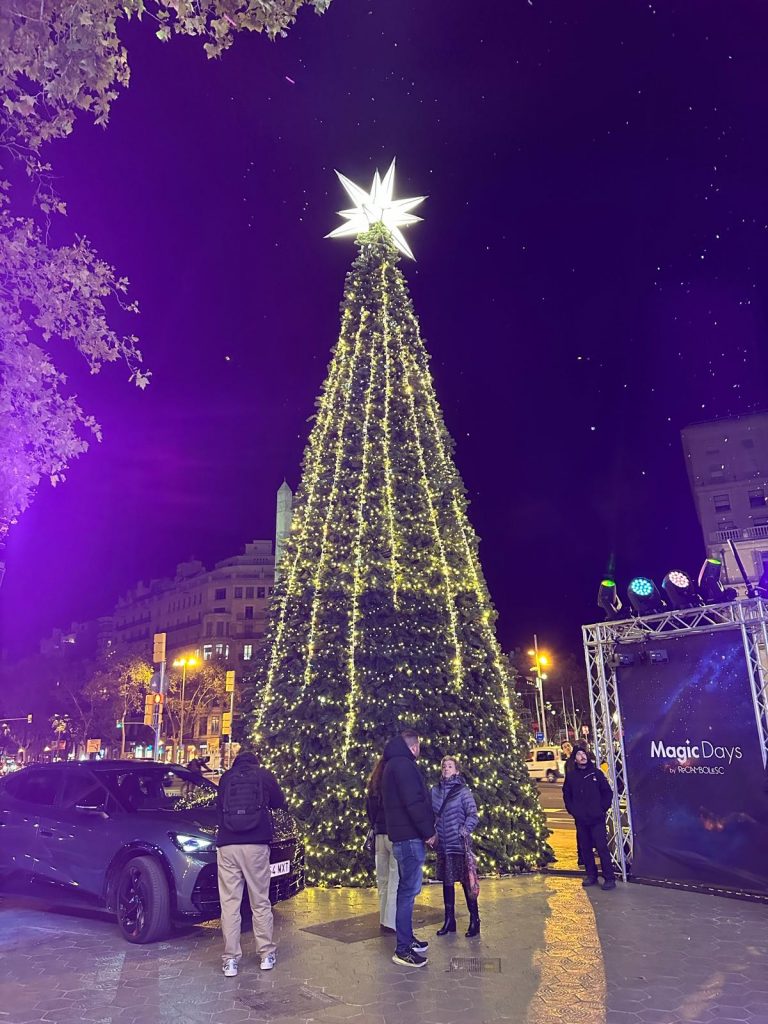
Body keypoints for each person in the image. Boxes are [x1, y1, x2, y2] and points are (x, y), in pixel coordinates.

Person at [216, 747, 286, 978]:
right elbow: (279, 802)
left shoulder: (226, 778)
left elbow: (219, 808)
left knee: (230, 904)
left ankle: (230, 961)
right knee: (260, 901)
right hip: (256, 845)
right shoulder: (264, 775)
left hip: (227, 845)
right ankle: (265, 954)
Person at [381, 727, 437, 968]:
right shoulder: (404, 766)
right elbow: (413, 802)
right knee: (407, 892)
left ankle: (408, 938)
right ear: (414, 746)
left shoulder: (392, 764)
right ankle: (403, 948)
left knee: (407, 891)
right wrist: (429, 833)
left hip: (402, 835)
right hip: (409, 837)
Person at [431, 756, 481, 938]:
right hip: (443, 845)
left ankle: (474, 919)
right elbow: (430, 814)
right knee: (447, 882)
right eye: (444, 766)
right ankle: (449, 920)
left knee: (466, 882)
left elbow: (473, 815)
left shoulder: (462, 792)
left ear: (457, 771)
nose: (446, 769)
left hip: (458, 844)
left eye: (450, 766)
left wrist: (464, 830)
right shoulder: (435, 791)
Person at [562, 746, 616, 890]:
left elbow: (607, 793)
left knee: (602, 847)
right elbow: (567, 795)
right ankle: (591, 875)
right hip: (581, 819)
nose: (582, 756)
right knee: (586, 848)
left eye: (584, 753)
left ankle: (609, 877)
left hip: (596, 818)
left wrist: (602, 808)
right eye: (579, 754)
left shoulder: (596, 774)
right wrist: (573, 811)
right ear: (575, 759)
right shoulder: (572, 777)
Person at [366, 755, 398, 933]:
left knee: (383, 880)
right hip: (394, 835)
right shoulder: (393, 786)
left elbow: (369, 811)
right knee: (395, 879)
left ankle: (383, 919)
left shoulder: (374, 785)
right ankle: (391, 921)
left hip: (379, 836)